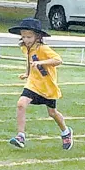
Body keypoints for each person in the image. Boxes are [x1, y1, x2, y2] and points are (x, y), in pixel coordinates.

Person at [7, 18, 73, 150]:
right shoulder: (26, 49)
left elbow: (58, 60)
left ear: (38, 36)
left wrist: (41, 63)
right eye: (24, 36)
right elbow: (30, 61)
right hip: (33, 84)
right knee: (21, 104)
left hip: (47, 86)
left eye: (29, 37)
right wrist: (27, 73)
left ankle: (66, 132)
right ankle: (21, 136)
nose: (26, 40)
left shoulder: (43, 48)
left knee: (52, 113)